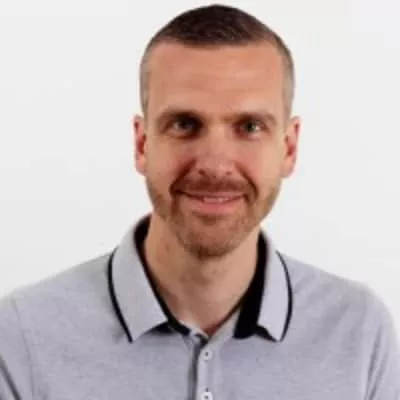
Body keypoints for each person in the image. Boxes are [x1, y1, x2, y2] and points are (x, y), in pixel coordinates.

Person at [0, 4, 399, 399]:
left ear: (289, 148)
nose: (214, 164)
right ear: (142, 144)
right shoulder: (23, 336)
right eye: (185, 124)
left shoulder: (360, 334)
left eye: (249, 127)